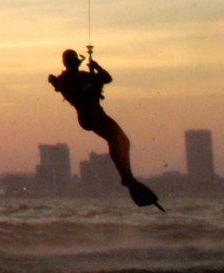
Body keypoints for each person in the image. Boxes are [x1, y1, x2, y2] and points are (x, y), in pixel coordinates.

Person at [49, 49, 161, 209]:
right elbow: (70, 90)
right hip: (90, 115)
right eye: (71, 62)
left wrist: (96, 67)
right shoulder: (65, 79)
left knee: (121, 141)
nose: (74, 64)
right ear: (67, 63)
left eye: (75, 62)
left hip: (97, 114)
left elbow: (107, 78)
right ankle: (126, 176)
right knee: (117, 139)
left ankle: (127, 176)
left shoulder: (84, 76)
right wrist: (91, 82)